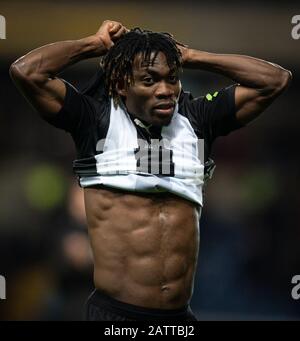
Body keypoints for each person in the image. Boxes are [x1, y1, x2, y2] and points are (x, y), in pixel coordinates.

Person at [9, 20, 291, 321]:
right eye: (149, 80)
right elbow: (27, 72)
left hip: (178, 319)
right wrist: (95, 44)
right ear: (121, 85)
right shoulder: (94, 120)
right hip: (116, 317)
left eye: (172, 78)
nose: (165, 90)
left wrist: (194, 56)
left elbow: (275, 80)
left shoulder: (198, 120)